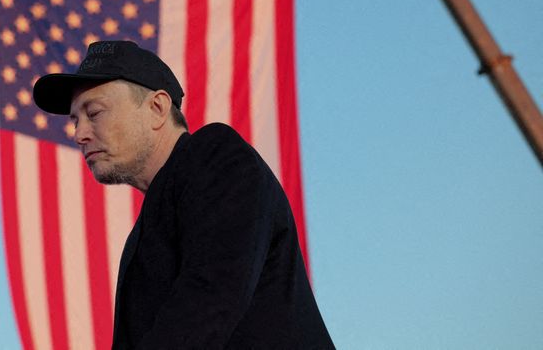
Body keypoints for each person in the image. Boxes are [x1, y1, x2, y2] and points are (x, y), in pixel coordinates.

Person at [33, 40, 334, 349]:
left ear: (157, 108)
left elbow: (209, 297)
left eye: (94, 113)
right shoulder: (144, 232)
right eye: (75, 120)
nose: (79, 133)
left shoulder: (216, 157)